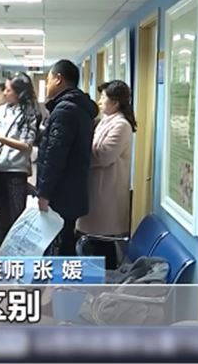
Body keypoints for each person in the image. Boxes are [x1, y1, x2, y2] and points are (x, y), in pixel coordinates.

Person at [35, 59, 98, 256]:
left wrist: (44, 194)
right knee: (66, 241)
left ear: (58, 79)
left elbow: (54, 156)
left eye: (48, 80)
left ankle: (61, 276)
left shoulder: (65, 110)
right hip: (72, 191)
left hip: (60, 194)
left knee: (59, 246)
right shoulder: (79, 108)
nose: (47, 85)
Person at [78, 80, 137, 269]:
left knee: (103, 243)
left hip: (107, 194)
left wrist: (80, 153)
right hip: (96, 191)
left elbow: (103, 156)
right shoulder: (105, 121)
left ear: (116, 102)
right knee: (94, 242)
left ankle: (107, 280)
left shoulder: (121, 125)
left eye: (103, 97)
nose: (100, 101)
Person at [0, 73, 41, 255]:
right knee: (0, 209)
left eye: (8, 90)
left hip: (15, 170)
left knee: (15, 211)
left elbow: (26, 146)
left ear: (19, 93)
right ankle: (0, 243)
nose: (5, 93)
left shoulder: (29, 114)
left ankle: (14, 249)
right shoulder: (1, 110)